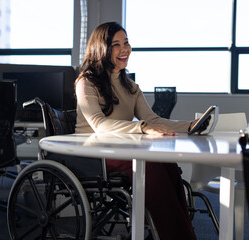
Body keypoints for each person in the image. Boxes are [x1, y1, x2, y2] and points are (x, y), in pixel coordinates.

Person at [74, 22, 206, 240]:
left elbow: (153, 119)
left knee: (168, 163)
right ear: (101, 49)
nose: (125, 49)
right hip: (94, 153)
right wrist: (142, 128)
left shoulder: (130, 86)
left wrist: (191, 126)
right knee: (151, 165)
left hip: (120, 150)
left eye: (126, 42)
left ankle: (180, 233)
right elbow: (99, 124)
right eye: (116, 44)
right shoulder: (86, 82)